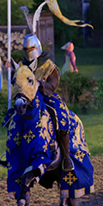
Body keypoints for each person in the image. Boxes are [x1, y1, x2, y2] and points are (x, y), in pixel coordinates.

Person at [20, 34, 74, 172]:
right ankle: (13, 154)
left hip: (46, 97)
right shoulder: (23, 66)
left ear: (37, 48)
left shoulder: (49, 66)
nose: (28, 52)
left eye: (31, 48)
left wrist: (40, 84)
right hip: (28, 99)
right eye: (26, 49)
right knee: (13, 118)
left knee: (61, 116)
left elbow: (53, 84)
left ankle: (66, 156)